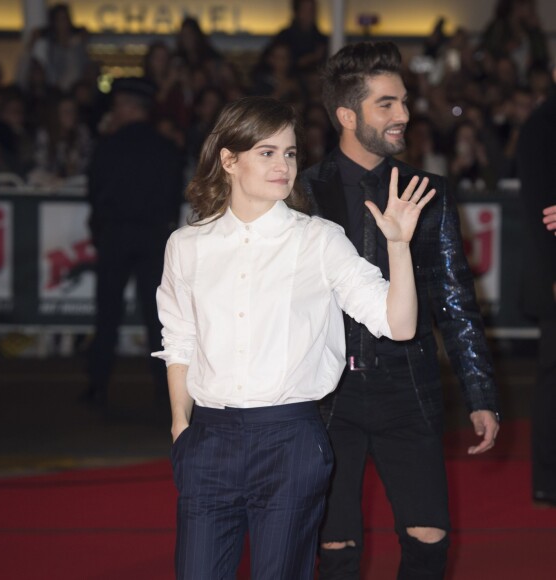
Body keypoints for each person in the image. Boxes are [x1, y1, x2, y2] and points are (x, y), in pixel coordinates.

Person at [152, 96, 435, 579]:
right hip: (209, 441)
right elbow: (179, 339)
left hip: (290, 440)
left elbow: (399, 324)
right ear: (228, 159)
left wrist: (398, 246)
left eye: (289, 152)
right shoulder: (187, 245)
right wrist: (182, 426)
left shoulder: (319, 240)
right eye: (266, 152)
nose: (283, 165)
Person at [300, 41, 501, 579]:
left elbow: (456, 299)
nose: (404, 115)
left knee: (430, 540)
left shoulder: (426, 192)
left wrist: (480, 393)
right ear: (347, 115)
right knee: (334, 550)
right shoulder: (300, 193)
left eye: (404, 102)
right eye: (386, 104)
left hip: (407, 388)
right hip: (323, 395)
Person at [83, 78, 183, 408]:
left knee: (107, 314)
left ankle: (98, 384)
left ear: (128, 107)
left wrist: (100, 229)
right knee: (157, 317)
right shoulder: (165, 148)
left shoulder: (109, 146)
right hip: (152, 237)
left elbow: (94, 191)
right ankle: (162, 387)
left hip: (115, 236)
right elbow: (172, 195)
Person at [516, 93, 556, 507]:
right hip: (552, 275)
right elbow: (540, 211)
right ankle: (548, 480)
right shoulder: (543, 127)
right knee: (553, 375)